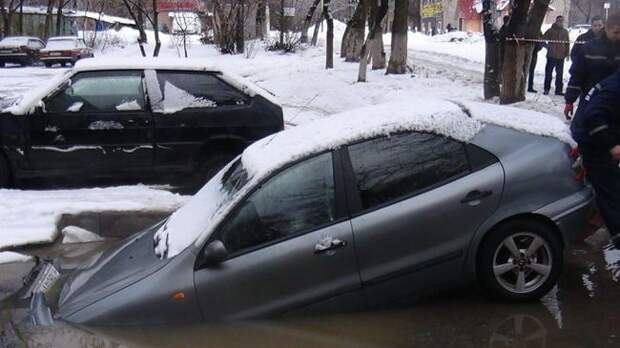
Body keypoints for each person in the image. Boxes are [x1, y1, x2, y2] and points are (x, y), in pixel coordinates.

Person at [570, 71, 620, 249]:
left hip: (593, 138)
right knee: (612, 194)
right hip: (594, 145)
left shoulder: (614, 80)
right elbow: (593, 115)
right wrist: (612, 145)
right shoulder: (615, 89)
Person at [565, 12, 620, 119]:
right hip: (590, 100)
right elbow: (577, 75)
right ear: (607, 28)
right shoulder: (589, 48)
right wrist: (569, 101)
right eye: (616, 32)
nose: (619, 36)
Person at [542, 16, 570, 95]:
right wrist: (548, 47)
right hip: (551, 56)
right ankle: (546, 89)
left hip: (561, 57)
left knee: (559, 74)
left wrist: (567, 54)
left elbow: (567, 43)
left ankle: (558, 90)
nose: (560, 23)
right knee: (548, 73)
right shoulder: (551, 30)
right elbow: (542, 39)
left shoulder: (565, 32)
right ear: (556, 21)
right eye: (559, 21)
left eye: (562, 21)